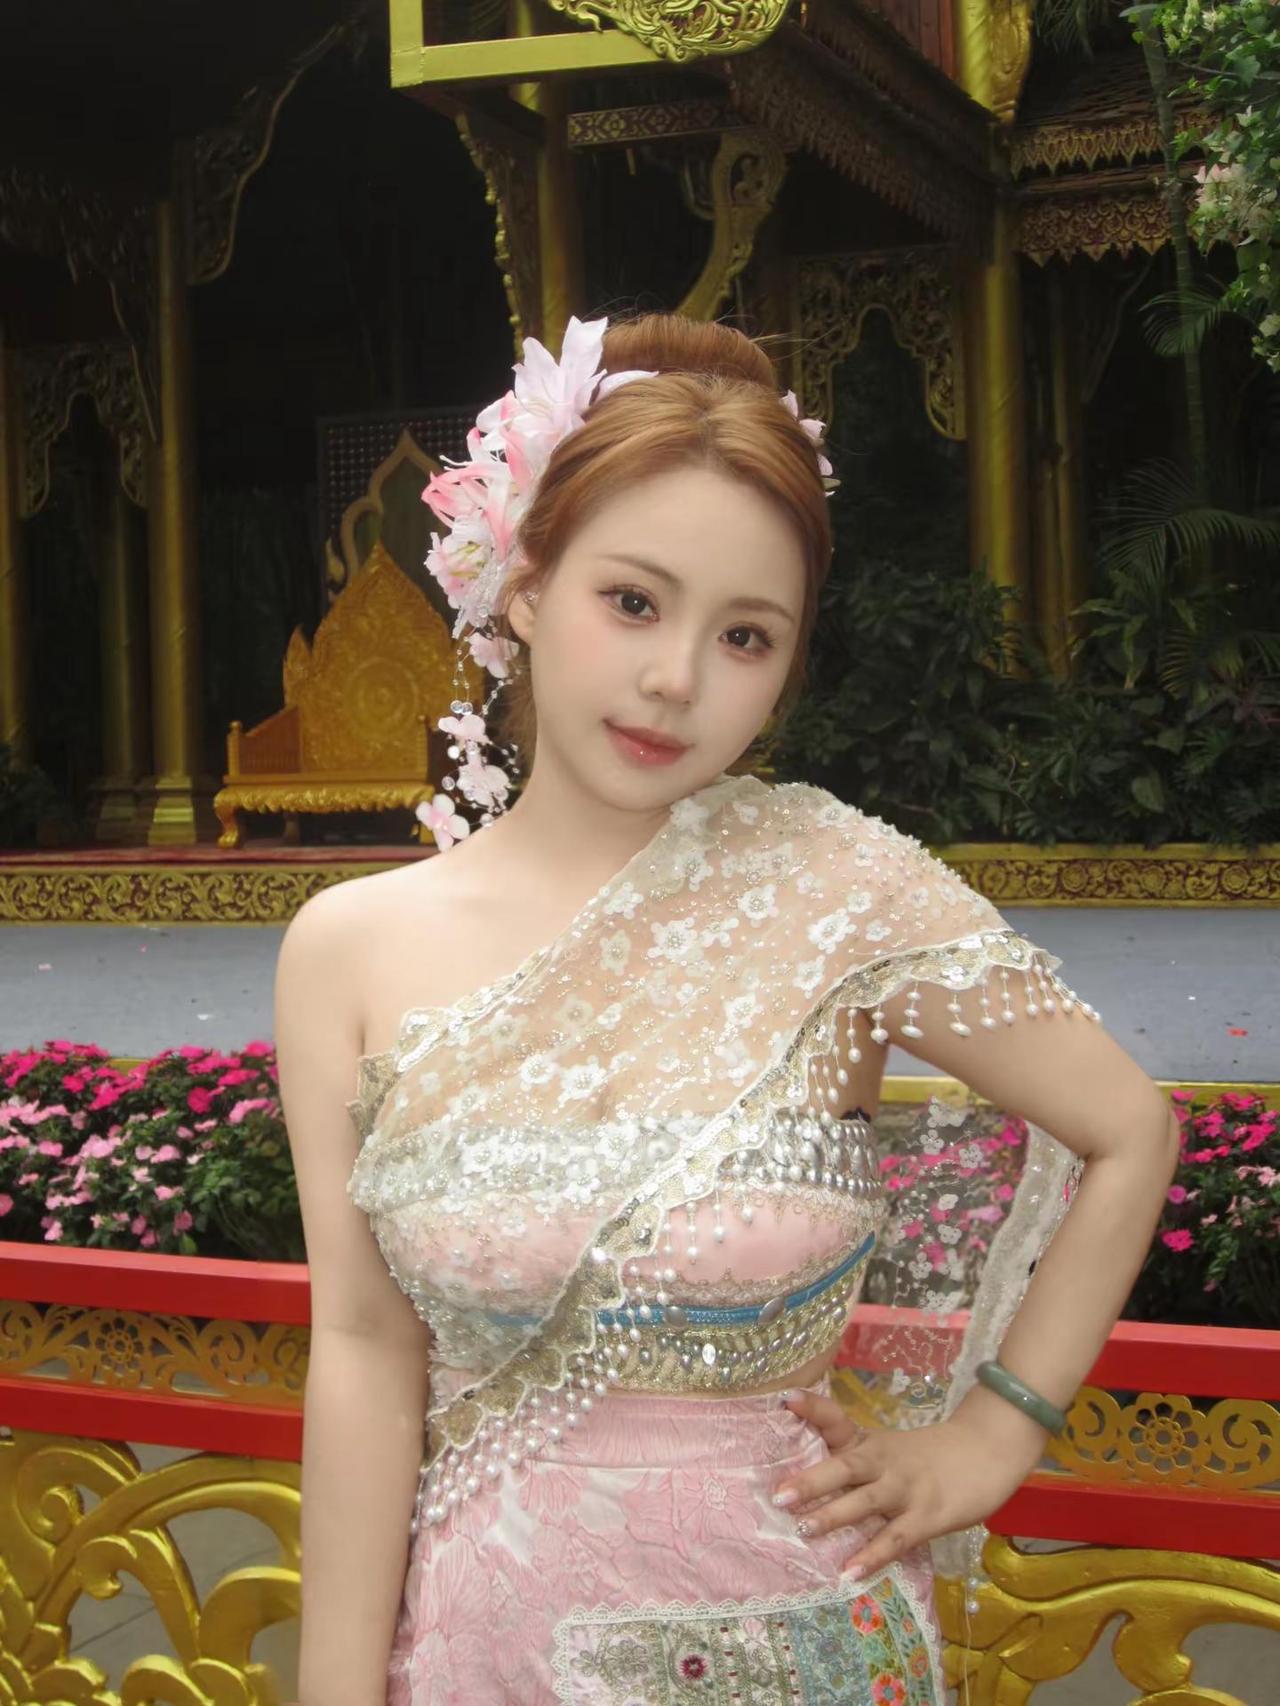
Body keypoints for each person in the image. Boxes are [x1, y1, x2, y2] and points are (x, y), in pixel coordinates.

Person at [275, 311, 1180, 1706]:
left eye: (745, 635)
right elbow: (362, 1344)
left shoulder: (841, 894)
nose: (676, 680)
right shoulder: (350, 950)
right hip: (482, 1653)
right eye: (633, 601)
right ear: (526, 582)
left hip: (804, 1639)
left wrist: (991, 1437)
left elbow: (1129, 1130)